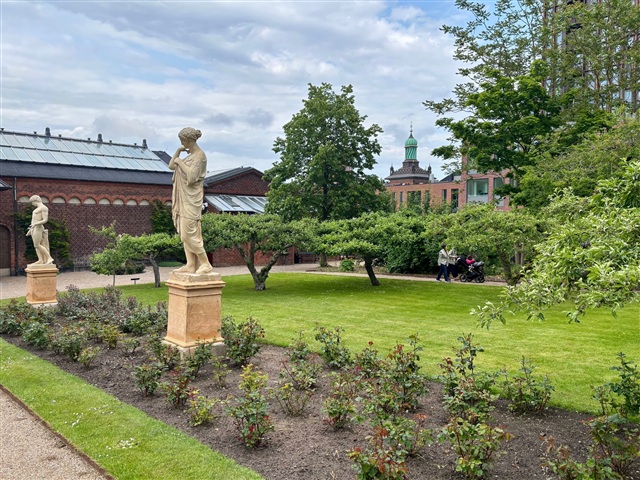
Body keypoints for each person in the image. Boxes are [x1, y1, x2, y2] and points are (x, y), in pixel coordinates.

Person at [168, 127, 214, 275]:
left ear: (187, 140)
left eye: (182, 141)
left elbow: (192, 177)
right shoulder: (190, 156)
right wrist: (178, 152)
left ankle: (205, 263)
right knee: (184, 234)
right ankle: (190, 264)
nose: (182, 143)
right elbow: (171, 166)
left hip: (192, 200)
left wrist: (179, 162)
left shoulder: (199, 156)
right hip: (184, 199)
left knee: (190, 234)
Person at [26, 195, 54, 266]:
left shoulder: (44, 208)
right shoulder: (37, 208)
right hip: (34, 228)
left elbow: (45, 220)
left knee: (37, 244)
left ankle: (49, 258)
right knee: (36, 245)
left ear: (35, 201)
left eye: (32, 202)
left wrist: (35, 224)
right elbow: (33, 221)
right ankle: (41, 260)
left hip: (38, 228)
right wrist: (31, 229)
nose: (32, 204)